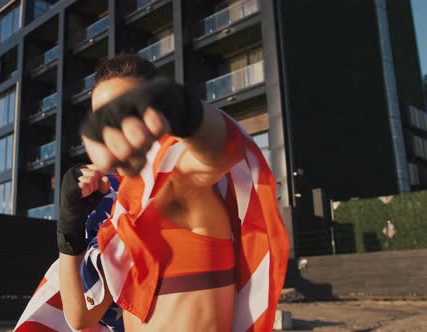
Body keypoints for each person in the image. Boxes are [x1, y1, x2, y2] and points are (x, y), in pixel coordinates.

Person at [15, 54, 289, 332]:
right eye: (103, 118)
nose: (115, 128)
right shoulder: (119, 219)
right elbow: (80, 317)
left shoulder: (183, 183)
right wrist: (69, 228)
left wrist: (182, 110)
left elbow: (221, 148)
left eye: (128, 109)